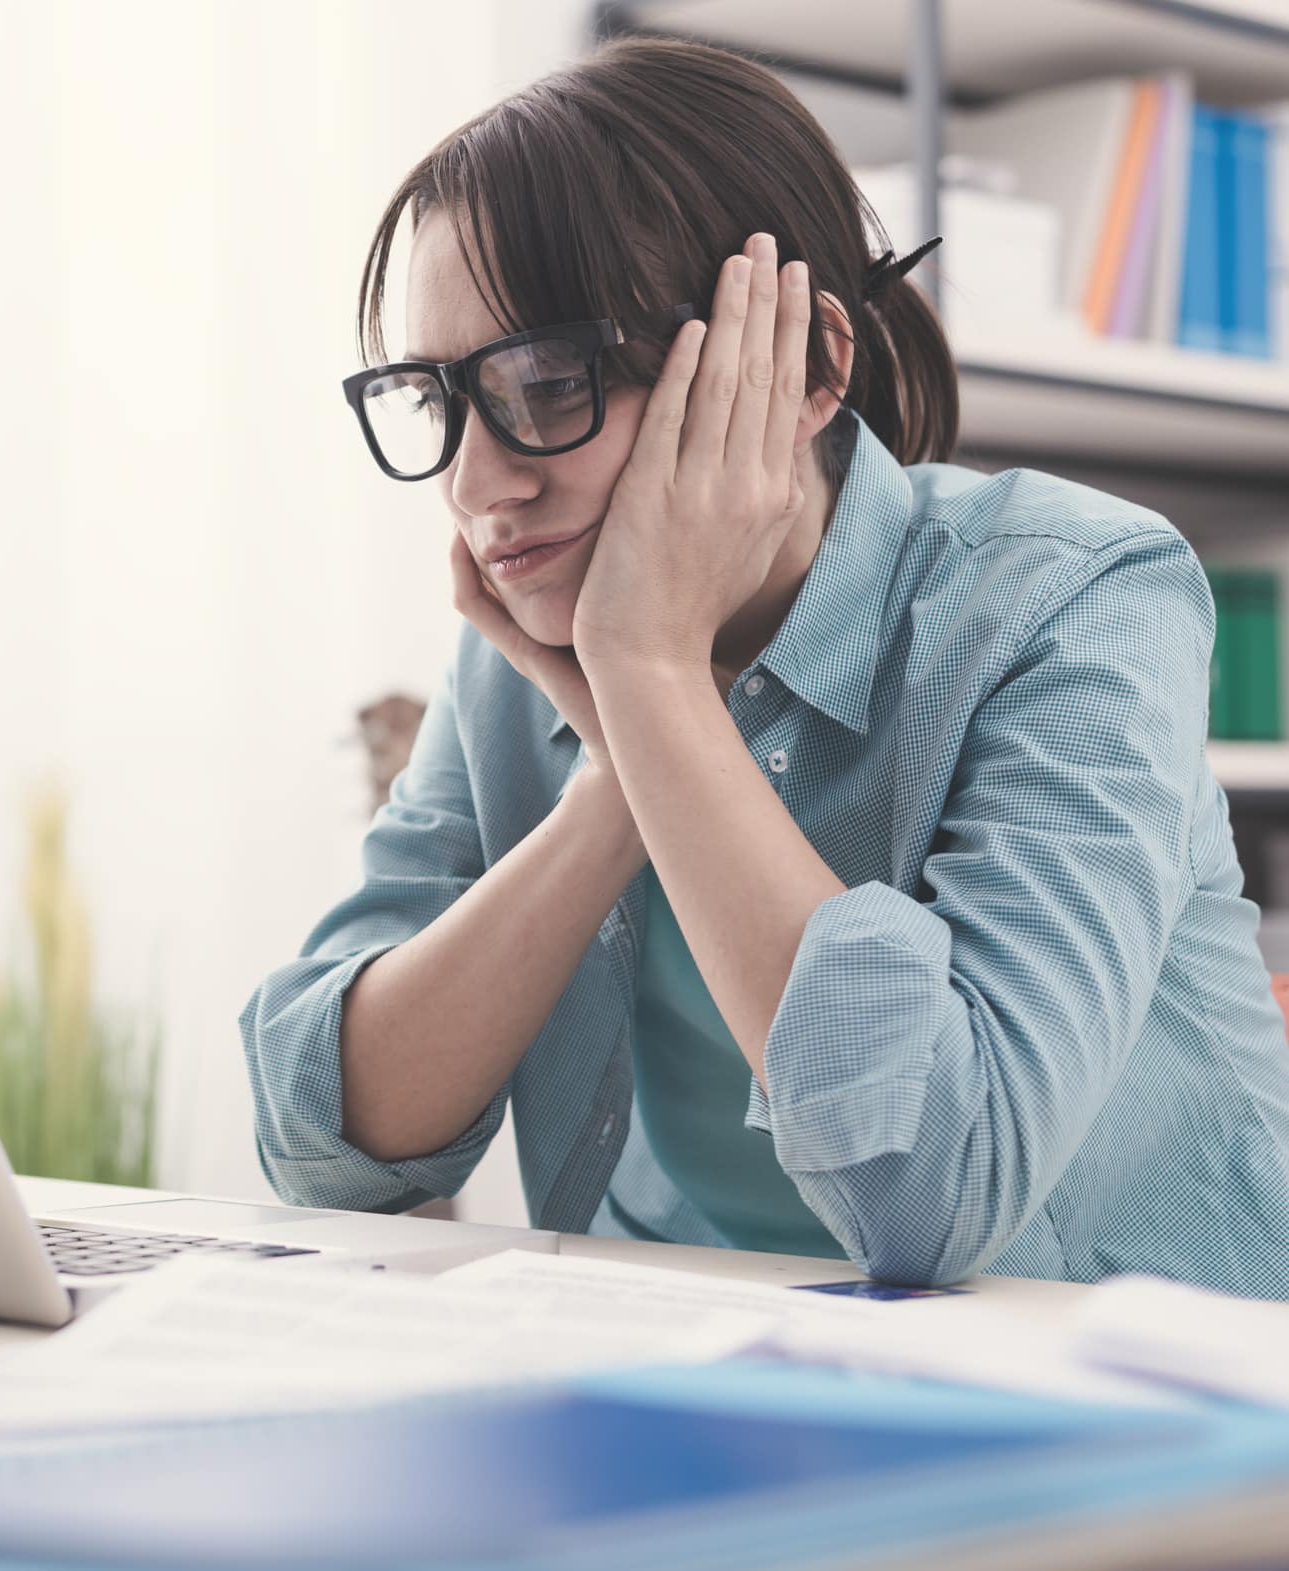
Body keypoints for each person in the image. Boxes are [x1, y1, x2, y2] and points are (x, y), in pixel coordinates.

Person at [239, 37, 1289, 1294]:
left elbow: (935, 1194)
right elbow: (323, 1141)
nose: (476, 482)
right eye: (437, 401)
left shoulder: (1078, 598)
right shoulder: (529, 661)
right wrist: (622, 767)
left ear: (808, 368)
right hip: (695, 1379)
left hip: (1136, 1408)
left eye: (548, 382)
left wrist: (657, 678)